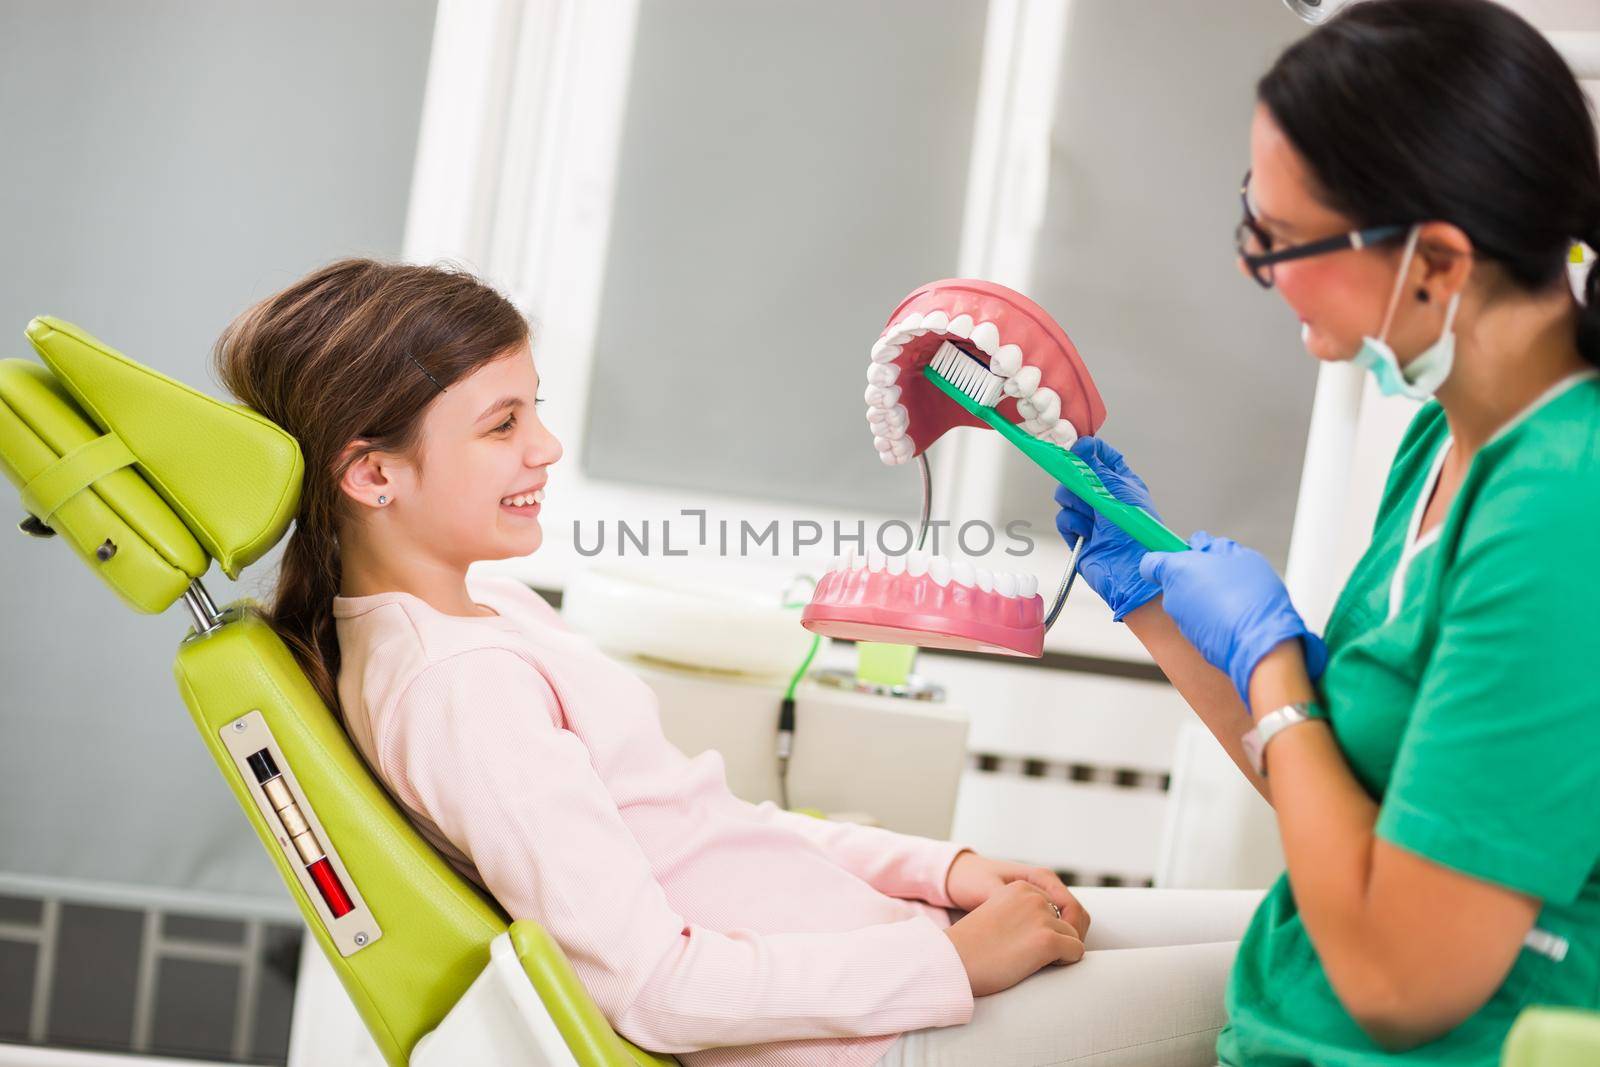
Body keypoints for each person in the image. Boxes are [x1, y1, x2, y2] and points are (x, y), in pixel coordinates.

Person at [214, 258, 1260, 1067]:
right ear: (372, 471)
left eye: (533, 406)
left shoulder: (487, 612)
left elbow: (707, 827)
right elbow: (655, 984)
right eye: (501, 422)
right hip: (869, 1029)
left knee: (1274, 924)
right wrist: (945, 958)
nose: (546, 447)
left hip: (883, 954)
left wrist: (937, 873)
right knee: (1325, 978)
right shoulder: (459, 689)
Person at [1053, 2, 1600, 1064]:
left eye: (1282, 241)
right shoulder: (1446, 444)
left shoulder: (1563, 512)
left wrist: (1269, 663)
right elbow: (1338, 797)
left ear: (1434, 263)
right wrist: (1157, 599)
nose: (1259, 270)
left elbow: (1403, 978)